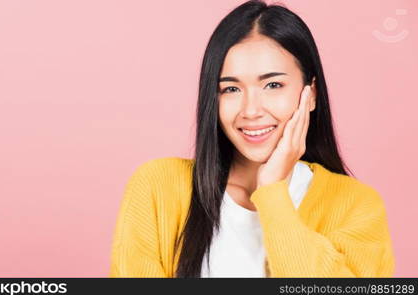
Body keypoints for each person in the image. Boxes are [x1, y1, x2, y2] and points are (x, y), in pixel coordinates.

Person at [109, 0, 395, 278]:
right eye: (231, 89)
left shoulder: (356, 205)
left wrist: (273, 191)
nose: (251, 111)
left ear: (312, 94)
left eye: (273, 85)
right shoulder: (158, 187)